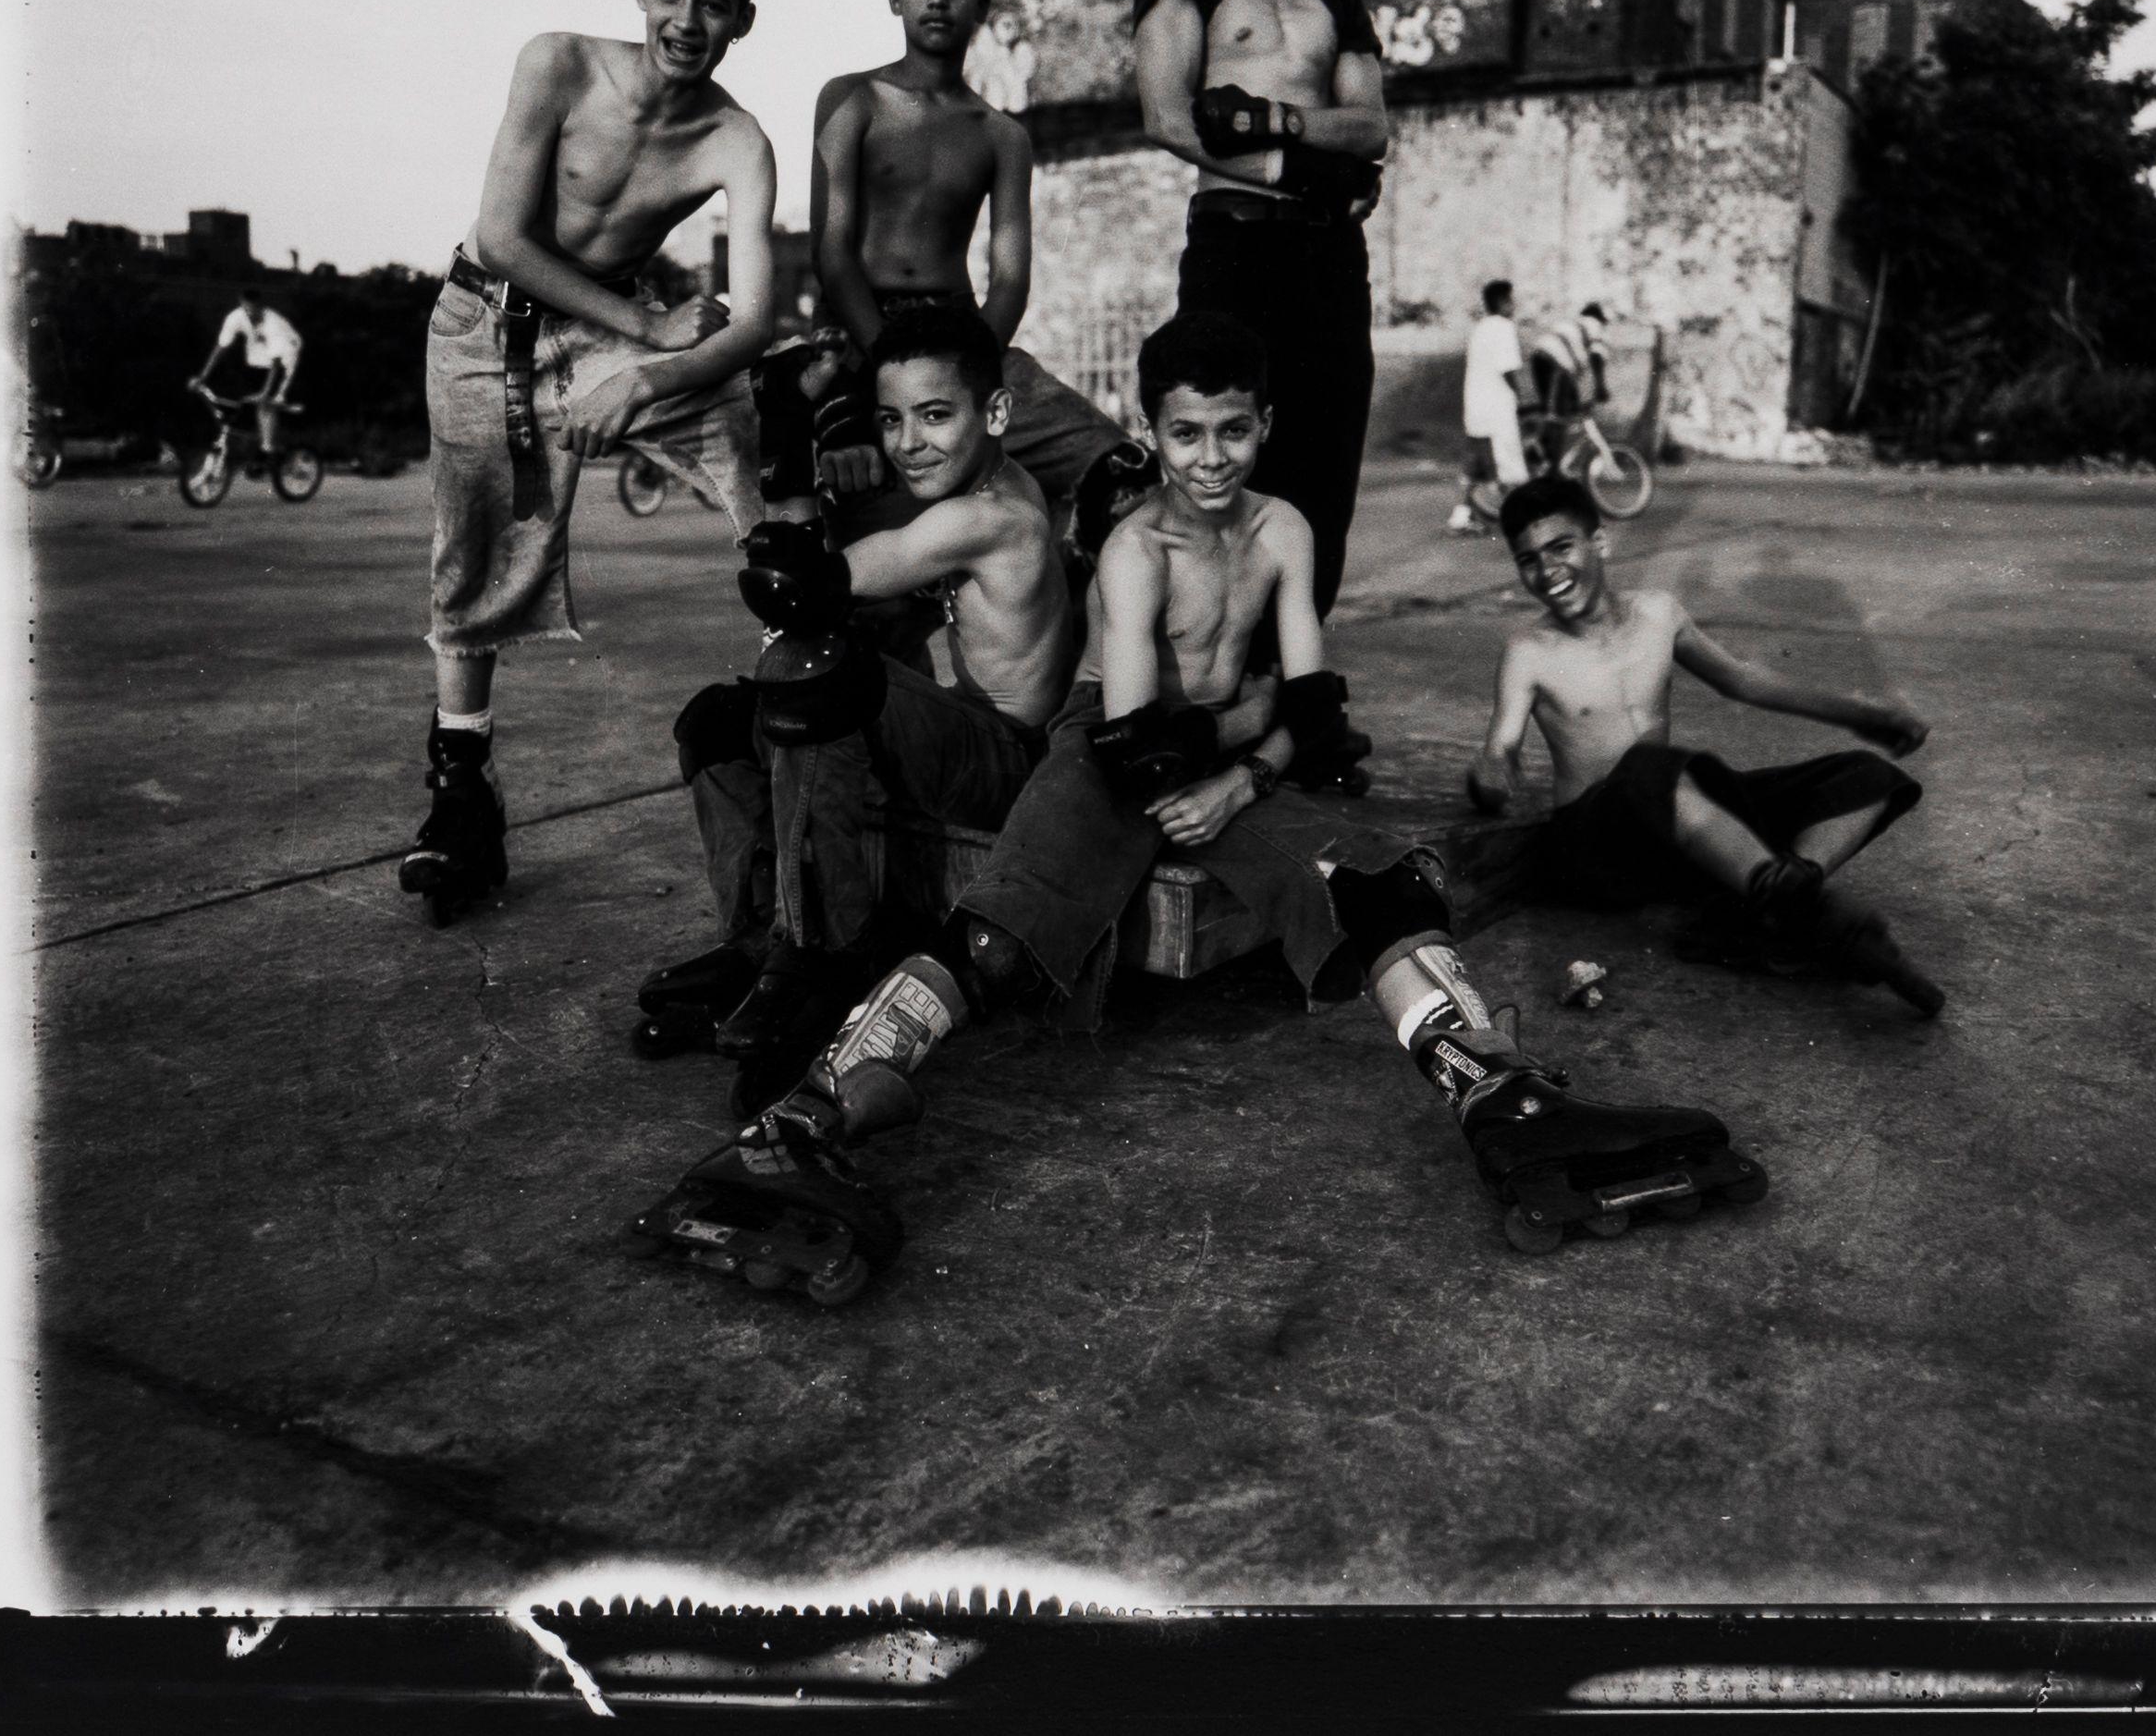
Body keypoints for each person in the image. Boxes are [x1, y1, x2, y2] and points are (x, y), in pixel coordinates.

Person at [632, 315, 1765, 1303]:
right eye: (1185, 434)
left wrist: (1247, 776)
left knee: (1378, 885)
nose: (1209, 458)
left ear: (1262, 425)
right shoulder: (1134, 549)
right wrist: (1233, 757)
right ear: (1154, 431)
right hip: (1107, 754)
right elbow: (1135, 742)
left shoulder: (1284, 532)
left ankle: (1508, 1103)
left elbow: (1315, 707)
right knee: (998, 932)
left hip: (1222, 771)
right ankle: (806, 1122)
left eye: (1231, 431)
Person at [400, 0, 778, 926]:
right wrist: (651, 325)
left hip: (609, 340)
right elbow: (507, 239)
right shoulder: (557, 63)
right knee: (475, 560)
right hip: (487, 321)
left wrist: (653, 373)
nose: (685, 20)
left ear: (743, 18)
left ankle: (818, 672)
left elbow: (758, 316)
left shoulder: (736, 139)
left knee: (744, 434)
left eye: (713, 3)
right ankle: (461, 800)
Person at [633, 307, 1090, 1112]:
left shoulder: (992, 518)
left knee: (817, 671)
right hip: (963, 735)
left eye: (935, 414)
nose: (909, 441)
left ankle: (828, 958)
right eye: (890, 419)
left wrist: (785, 416)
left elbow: (801, 589)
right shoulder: (971, 485)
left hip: (1005, 762)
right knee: (716, 719)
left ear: (996, 413)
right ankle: (760, 947)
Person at [1467, 475, 1944, 1014]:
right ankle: (1783, 900)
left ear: (1599, 542)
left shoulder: (1658, 614)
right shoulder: (1528, 651)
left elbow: (1744, 680)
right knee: (1648, 765)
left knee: (1867, 777)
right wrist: (1489, 775)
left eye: (1560, 547)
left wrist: (1865, 715)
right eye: (1528, 560)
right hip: (1596, 847)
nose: (1547, 571)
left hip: (1676, 830)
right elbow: (1500, 749)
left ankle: (1775, 903)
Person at [1133, 0, 1390, 617]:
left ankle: (1295, 687)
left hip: (1326, 262)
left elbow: (1368, 129)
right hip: (1235, 251)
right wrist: (1296, 170)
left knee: (1324, 476)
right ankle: (1215, 680)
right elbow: (1169, 118)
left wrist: (1269, 119)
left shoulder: (1335, 1)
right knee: (1220, 466)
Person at [810, 0, 1140, 539]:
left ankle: (1063, 605)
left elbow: (1010, 280)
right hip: (859, 332)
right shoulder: (852, 100)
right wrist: (891, 365)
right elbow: (832, 254)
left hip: (963, 336)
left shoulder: (1001, 135)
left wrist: (969, 364)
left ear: (981, 4)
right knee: (867, 541)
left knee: (1117, 470)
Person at [1449, 278, 1532, 535]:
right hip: (1497, 409)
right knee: (1509, 466)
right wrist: (1524, 397)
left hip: (1476, 409)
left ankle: (1460, 517)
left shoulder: (1481, 328)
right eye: (1511, 300)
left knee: (1474, 467)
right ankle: (1523, 521)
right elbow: (1508, 369)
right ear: (1502, 302)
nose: (1514, 305)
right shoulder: (1503, 328)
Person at [190, 288, 303, 462]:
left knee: (266, 402)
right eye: (246, 309)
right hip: (258, 359)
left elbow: (276, 363)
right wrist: (202, 376)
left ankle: (268, 450)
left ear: (260, 307)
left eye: (253, 310)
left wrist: (266, 392)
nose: (249, 314)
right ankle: (262, 442)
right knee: (243, 400)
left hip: (287, 357)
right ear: (242, 306)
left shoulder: (273, 323)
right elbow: (221, 348)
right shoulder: (236, 317)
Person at [1529, 300, 1611, 465]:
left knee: (1552, 412)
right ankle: (1555, 472)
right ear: (1600, 317)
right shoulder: (1594, 324)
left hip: (1540, 357)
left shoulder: (1572, 323)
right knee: (1561, 416)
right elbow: (1597, 355)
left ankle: (1539, 450)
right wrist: (1601, 387)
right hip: (1559, 363)